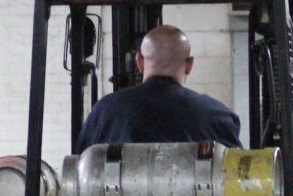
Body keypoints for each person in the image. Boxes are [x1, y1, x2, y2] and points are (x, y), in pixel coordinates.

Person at [75, 24, 241, 150]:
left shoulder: (104, 112)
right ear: (189, 65)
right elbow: (240, 181)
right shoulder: (219, 117)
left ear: (139, 62)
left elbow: (80, 172)